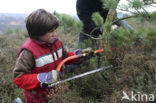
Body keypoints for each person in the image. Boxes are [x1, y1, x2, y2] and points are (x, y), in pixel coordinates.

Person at [13, 9, 84, 103]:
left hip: (58, 92)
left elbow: (64, 58)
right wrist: (43, 78)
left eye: (55, 30)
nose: (55, 34)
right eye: (51, 31)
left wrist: (76, 56)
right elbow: (19, 78)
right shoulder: (28, 52)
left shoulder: (56, 42)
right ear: (38, 32)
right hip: (38, 98)